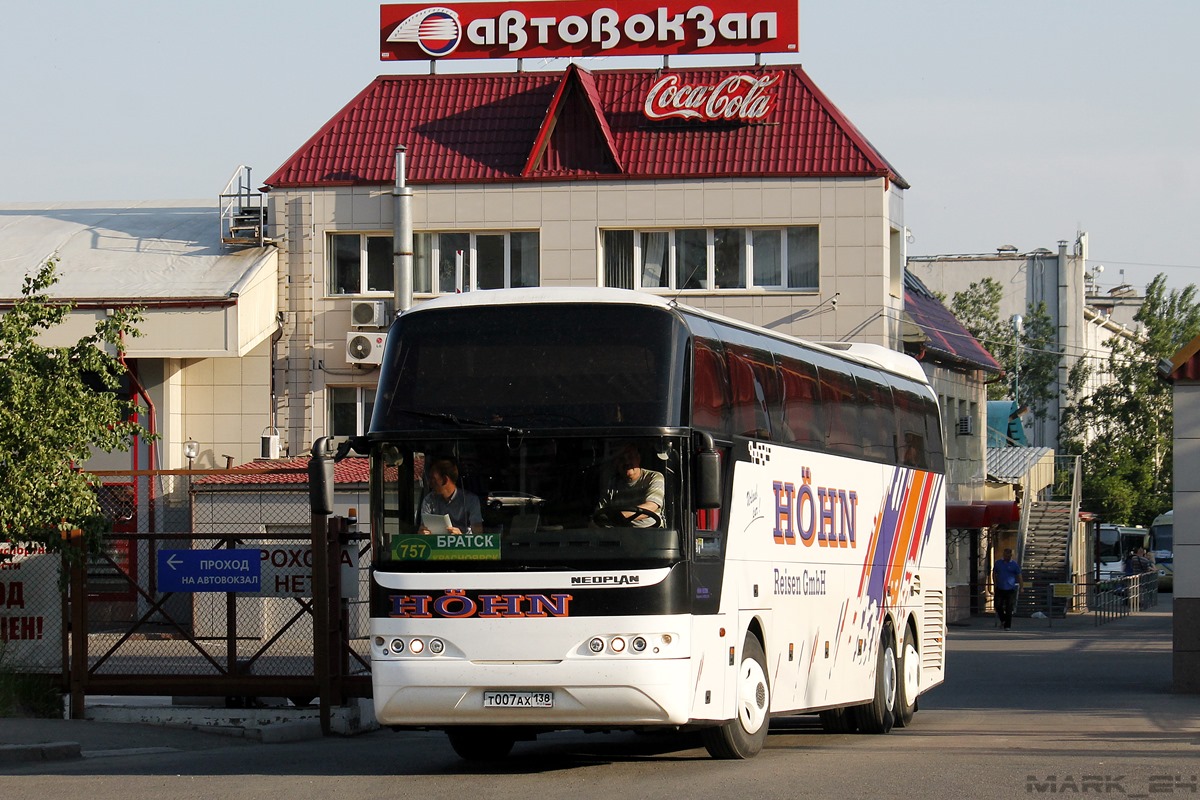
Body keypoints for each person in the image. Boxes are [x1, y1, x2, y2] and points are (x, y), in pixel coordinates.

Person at [595, 444, 665, 528]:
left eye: (630, 457)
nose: (627, 462)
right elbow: (600, 512)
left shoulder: (654, 477)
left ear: (638, 458)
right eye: (622, 459)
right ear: (616, 463)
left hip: (651, 535)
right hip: (619, 535)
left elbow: (651, 506)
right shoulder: (612, 484)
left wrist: (619, 516)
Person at [418, 458, 482, 536]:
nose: (430, 484)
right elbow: (423, 527)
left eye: (433, 479)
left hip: (464, 546)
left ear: (445, 480)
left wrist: (461, 537)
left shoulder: (471, 500)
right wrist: (422, 533)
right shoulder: (429, 500)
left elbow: (478, 534)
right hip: (436, 545)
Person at [992, 547, 1022, 630]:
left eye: (1008, 555)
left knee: (1009, 607)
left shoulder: (1014, 565)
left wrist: (1021, 586)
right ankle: (1003, 620)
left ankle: (1007, 625)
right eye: (1005, 555)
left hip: (1010, 589)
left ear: (1011, 555)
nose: (1006, 557)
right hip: (1000, 587)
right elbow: (994, 573)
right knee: (998, 605)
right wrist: (995, 583)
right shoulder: (998, 563)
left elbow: (1019, 576)